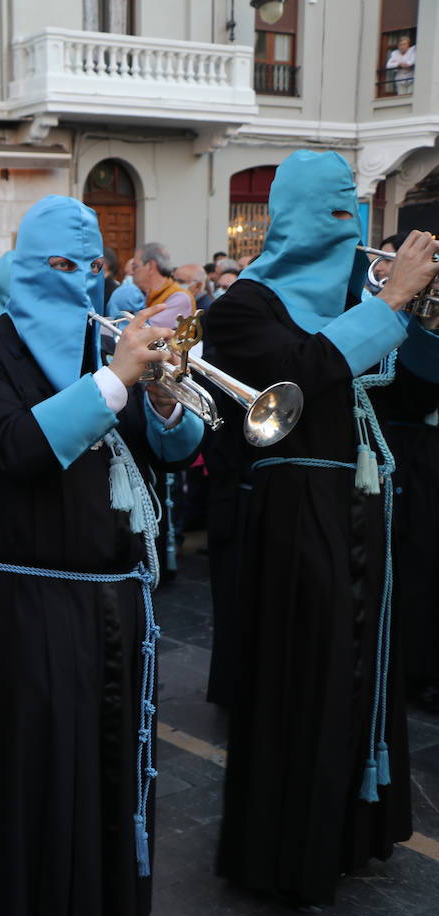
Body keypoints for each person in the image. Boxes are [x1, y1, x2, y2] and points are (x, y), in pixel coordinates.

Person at [0, 195, 206, 915]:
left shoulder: (108, 347)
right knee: (33, 790)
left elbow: (174, 455)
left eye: (91, 267)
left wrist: (162, 398)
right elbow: (12, 449)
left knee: (112, 782)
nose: (79, 282)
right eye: (60, 266)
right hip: (26, 612)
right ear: (26, 265)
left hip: (118, 607)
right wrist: (116, 379)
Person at [206, 150, 439, 909]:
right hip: (293, 513)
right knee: (303, 676)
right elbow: (295, 380)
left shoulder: (348, 296)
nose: (351, 231)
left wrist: (411, 310)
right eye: (335, 214)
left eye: (356, 215)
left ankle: (349, 832)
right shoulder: (244, 305)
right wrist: (387, 303)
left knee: (361, 672)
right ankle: (287, 850)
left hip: (362, 506)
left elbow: (408, 382)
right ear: (296, 214)